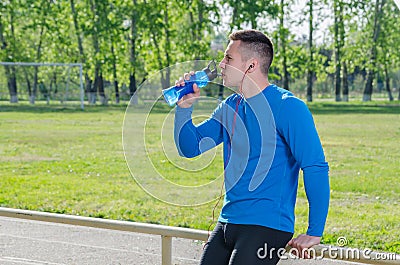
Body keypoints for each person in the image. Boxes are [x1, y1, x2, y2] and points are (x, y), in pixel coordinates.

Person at [173, 29, 330, 265]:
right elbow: (190, 147)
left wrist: (314, 231)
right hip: (228, 221)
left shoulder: (288, 107)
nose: (221, 65)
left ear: (251, 65)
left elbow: (315, 166)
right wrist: (184, 107)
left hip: (266, 226)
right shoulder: (230, 106)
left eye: (228, 58)